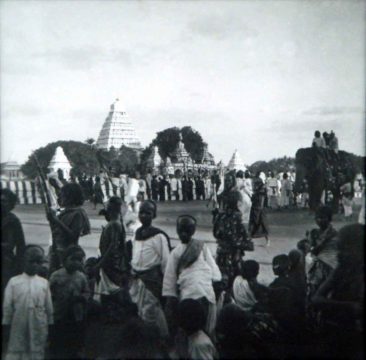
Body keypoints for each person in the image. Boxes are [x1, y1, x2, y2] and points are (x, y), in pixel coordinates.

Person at [310, 224, 364, 359]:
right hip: (336, 333)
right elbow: (316, 299)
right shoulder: (342, 269)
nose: (339, 254)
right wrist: (348, 306)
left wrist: (330, 304)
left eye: (345, 249)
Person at [163, 215, 221, 338]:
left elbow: (170, 279)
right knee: (204, 327)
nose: (183, 233)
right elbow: (215, 272)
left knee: (194, 329)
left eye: (186, 230)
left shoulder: (182, 251)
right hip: (202, 292)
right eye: (182, 230)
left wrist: (171, 297)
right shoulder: (196, 248)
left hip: (193, 294)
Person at [2, 245, 53, 360]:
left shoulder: (44, 283)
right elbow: (7, 308)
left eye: (38, 262)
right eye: (32, 261)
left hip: (38, 326)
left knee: (36, 353)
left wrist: (50, 326)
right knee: (17, 353)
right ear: (24, 261)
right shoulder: (14, 282)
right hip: (18, 326)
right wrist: (6, 327)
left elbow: (48, 308)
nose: (35, 265)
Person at [129, 200, 171, 338]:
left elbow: (165, 262)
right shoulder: (136, 234)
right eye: (141, 212)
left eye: (148, 213)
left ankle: (158, 340)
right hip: (137, 280)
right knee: (139, 311)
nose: (144, 216)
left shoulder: (159, 236)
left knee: (150, 312)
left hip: (151, 281)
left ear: (154, 215)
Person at [49, 245, 89, 359]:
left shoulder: (81, 277)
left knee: (73, 341)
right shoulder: (56, 275)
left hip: (76, 315)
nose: (76, 262)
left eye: (79, 260)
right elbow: (49, 293)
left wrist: (81, 298)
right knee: (58, 340)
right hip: (59, 314)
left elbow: (87, 293)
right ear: (64, 259)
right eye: (73, 259)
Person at [47, 183, 91, 274]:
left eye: (62, 196)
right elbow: (55, 232)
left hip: (69, 255)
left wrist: (56, 221)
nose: (59, 199)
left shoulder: (77, 213)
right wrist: (52, 219)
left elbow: (73, 236)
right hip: (57, 251)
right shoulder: (64, 213)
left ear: (70, 197)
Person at [94, 197, 130, 302]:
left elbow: (112, 247)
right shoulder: (116, 223)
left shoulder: (114, 224)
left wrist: (99, 264)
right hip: (113, 264)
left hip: (112, 265)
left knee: (111, 294)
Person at [214, 191, 250, 293]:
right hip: (234, 255)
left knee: (222, 279)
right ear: (237, 203)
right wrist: (245, 244)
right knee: (234, 281)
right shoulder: (237, 217)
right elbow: (243, 238)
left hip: (221, 253)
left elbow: (216, 233)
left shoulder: (220, 216)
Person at [306, 206, 338, 301]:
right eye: (317, 218)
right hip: (315, 270)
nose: (319, 220)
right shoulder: (314, 233)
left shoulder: (335, 234)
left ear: (329, 219)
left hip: (330, 269)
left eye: (323, 218)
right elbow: (310, 250)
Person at [1, 189, 26, 299]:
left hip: (6, 261)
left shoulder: (13, 221)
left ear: (11, 204)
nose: (1, 203)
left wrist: (19, 265)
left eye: (4, 201)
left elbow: (20, 245)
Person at [249, 171, 269, 246]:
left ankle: (267, 240)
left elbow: (262, 198)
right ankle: (249, 238)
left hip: (259, 207)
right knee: (255, 224)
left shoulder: (261, 187)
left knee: (261, 224)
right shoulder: (259, 185)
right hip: (256, 207)